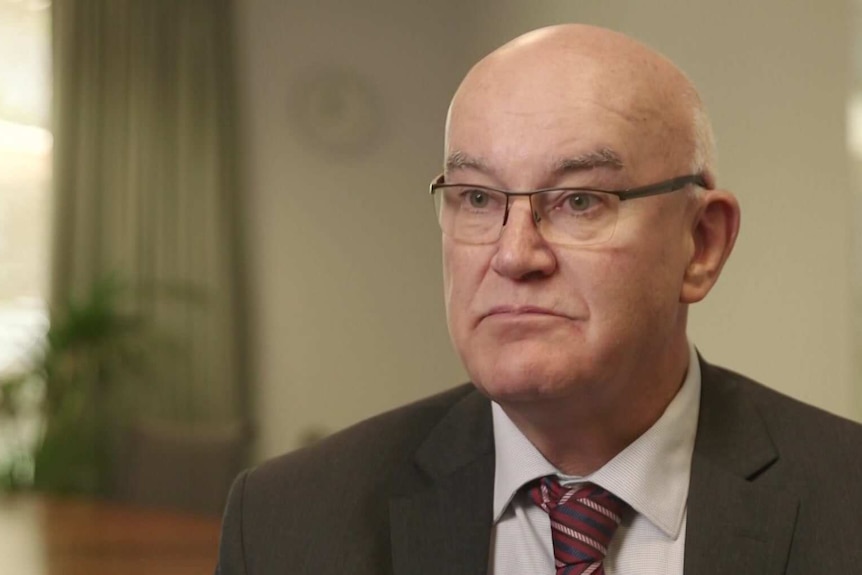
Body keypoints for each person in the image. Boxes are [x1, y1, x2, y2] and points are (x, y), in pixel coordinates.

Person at [215, 24, 862, 575]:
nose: (514, 254)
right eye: (476, 197)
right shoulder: (286, 523)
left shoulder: (846, 503)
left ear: (701, 243)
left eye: (579, 199)